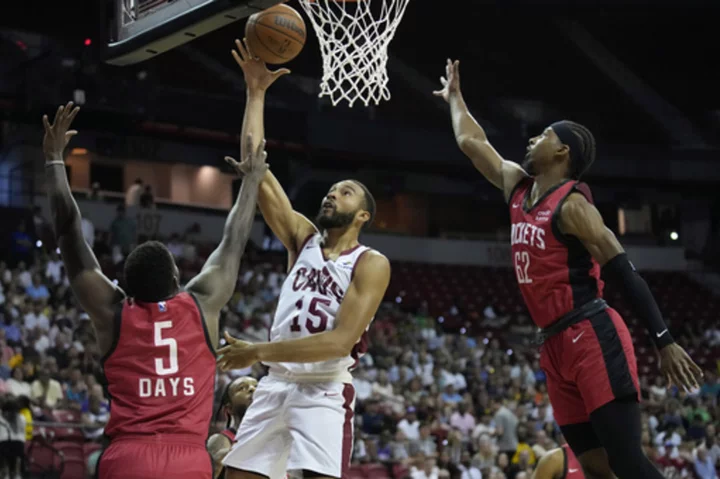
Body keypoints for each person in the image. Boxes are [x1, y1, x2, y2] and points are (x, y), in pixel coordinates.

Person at [435, 59, 702, 479]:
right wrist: (455, 99)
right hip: (554, 345)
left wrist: (664, 339)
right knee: (595, 466)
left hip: (591, 334)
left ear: (562, 151)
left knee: (627, 461)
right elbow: (472, 142)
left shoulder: (574, 205)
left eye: (544, 134)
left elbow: (621, 267)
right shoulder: (519, 188)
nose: (532, 138)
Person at [42, 102, 268, 479]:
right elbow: (234, 240)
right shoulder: (202, 302)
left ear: (124, 286)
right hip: (188, 458)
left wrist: (53, 161)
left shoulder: (112, 312)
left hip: (128, 456)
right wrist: (250, 182)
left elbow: (68, 231)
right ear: (178, 279)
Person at [218, 40, 391, 479]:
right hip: (275, 383)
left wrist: (256, 350)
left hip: (323, 390)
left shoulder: (371, 262)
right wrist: (255, 94)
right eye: (332, 188)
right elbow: (255, 168)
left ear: (363, 215)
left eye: (346, 191)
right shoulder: (303, 239)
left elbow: (337, 342)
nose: (333, 193)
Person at [207, 377, 258, 479]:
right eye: (242, 388)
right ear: (229, 409)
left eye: (257, 386)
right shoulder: (221, 440)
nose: (253, 389)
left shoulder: (280, 436)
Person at [0, 397, 26, 479]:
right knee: (7, 449)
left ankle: (11, 473)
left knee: (14, 448)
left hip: (10, 443)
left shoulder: (20, 418)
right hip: (11, 443)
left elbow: (19, 433)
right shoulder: (22, 417)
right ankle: (11, 473)